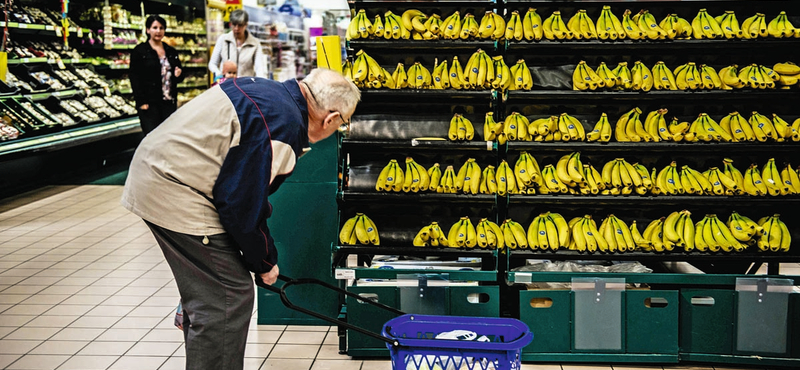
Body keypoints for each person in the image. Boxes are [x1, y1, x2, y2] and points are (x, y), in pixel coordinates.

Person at [120, 68, 360, 370]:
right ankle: (202, 312)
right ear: (331, 118)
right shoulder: (283, 127)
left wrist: (256, 256)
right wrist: (264, 261)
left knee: (218, 282)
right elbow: (241, 205)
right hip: (175, 185)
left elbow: (245, 193)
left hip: (163, 169)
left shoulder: (271, 93)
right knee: (229, 295)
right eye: (343, 123)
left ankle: (194, 306)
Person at [130, 15, 185, 135]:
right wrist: (141, 101)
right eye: (154, 27)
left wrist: (178, 74)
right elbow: (135, 77)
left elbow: (180, 76)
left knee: (168, 136)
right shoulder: (140, 51)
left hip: (168, 102)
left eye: (161, 28)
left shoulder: (171, 51)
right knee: (152, 137)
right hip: (150, 104)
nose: (158, 31)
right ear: (148, 30)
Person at [208, 9, 266, 79]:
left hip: (245, 86)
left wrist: (261, 82)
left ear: (246, 25)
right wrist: (219, 74)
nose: (236, 28)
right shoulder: (223, 39)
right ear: (230, 24)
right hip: (226, 85)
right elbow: (212, 64)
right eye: (234, 25)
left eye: (240, 25)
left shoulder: (255, 44)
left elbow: (259, 68)